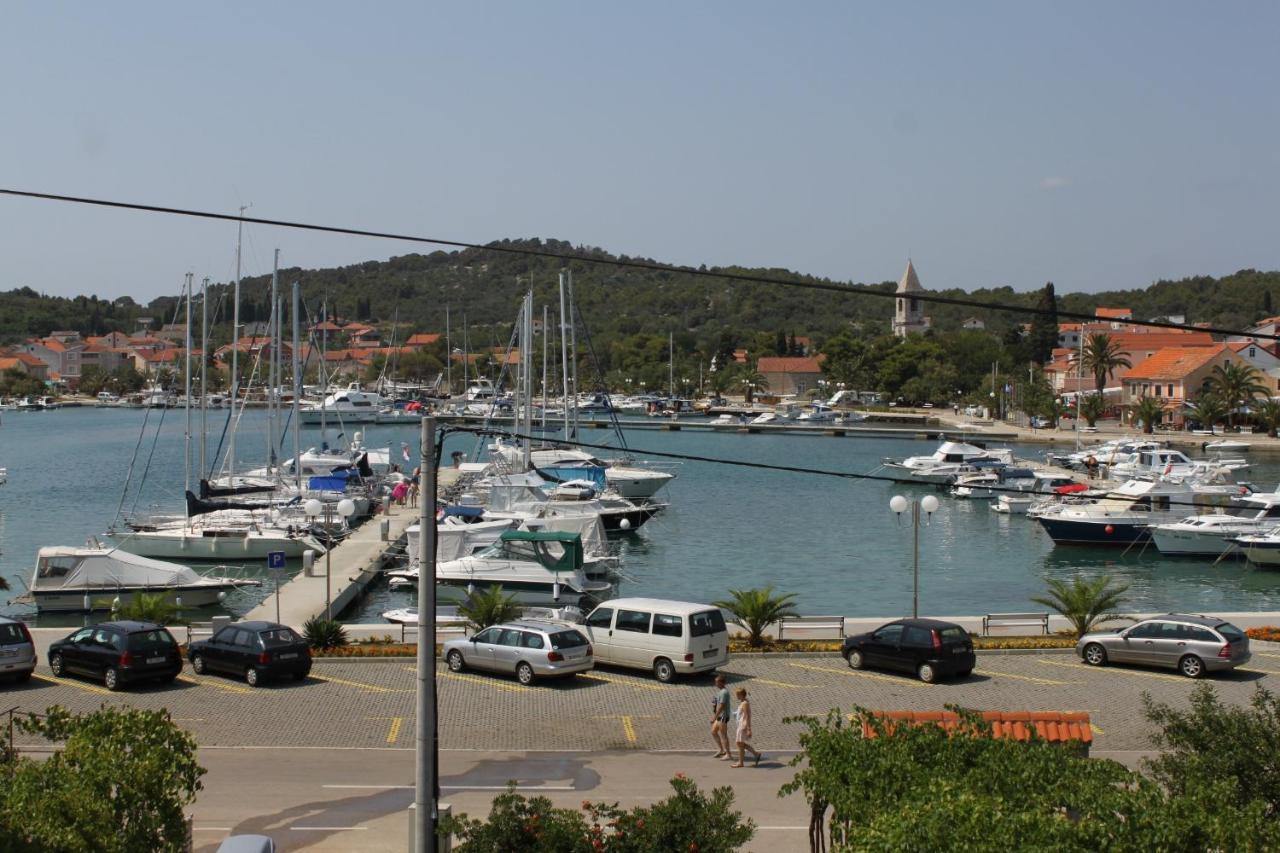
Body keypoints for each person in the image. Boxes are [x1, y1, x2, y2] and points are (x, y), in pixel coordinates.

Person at [730, 687, 761, 768]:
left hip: (743, 725)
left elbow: (747, 716)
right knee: (740, 743)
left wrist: (749, 729)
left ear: (742, 695)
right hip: (741, 724)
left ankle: (741, 762)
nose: (736, 696)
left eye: (738, 694)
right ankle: (756, 754)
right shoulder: (743, 702)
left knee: (739, 743)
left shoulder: (745, 703)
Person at [710, 675, 732, 759]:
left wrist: (714, 717)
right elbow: (718, 703)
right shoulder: (720, 691)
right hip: (720, 716)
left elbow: (722, 706)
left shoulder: (724, 692)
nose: (715, 684)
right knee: (713, 731)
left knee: (723, 735)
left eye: (717, 682)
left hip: (723, 716)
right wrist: (714, 703)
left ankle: (728, 754)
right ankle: (721, 750)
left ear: (722, 683)